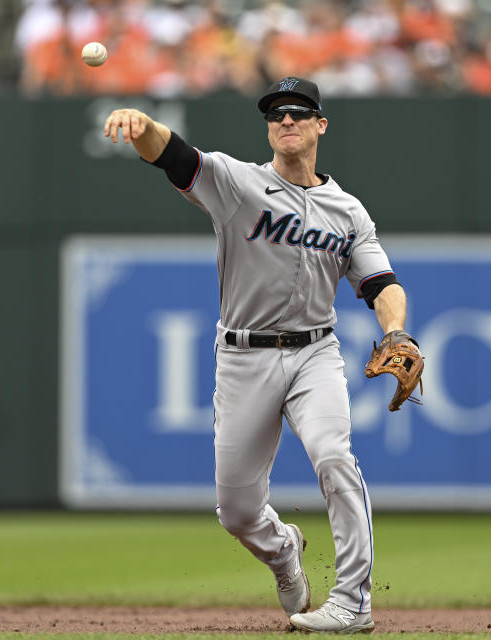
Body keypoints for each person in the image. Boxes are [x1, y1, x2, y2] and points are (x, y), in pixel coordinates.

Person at [103, 77, 412, 634]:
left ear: (321, 124)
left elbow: (382, 283)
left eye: (298, 112)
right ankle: (283, 550)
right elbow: (172, 156)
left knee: (333, 455)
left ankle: (353, 601)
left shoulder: (347, 211)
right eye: (276, 114)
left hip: (316, 352)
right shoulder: (236, 183)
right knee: (238, 512)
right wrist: (144, 124)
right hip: (244, 357)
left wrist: (395, 332)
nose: (286, 120)